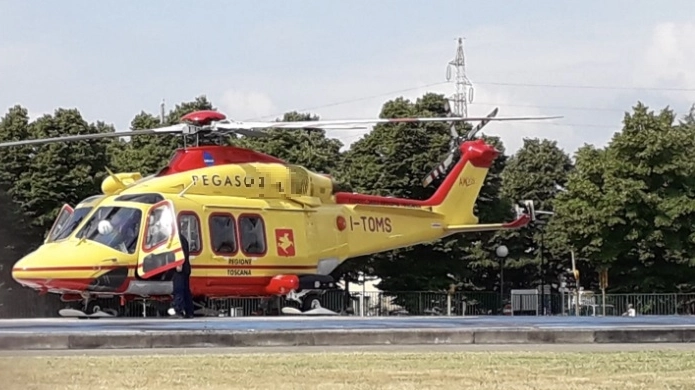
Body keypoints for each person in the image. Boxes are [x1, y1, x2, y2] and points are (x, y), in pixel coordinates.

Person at [169, 233, 194, 318]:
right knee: (185, 290)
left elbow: (180, 253)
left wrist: (179, 264)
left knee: (178, 289)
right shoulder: (182, 238)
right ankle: (189, 312)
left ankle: (178, 310)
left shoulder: (177, 240)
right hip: (185, 268)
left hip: (180, 268)